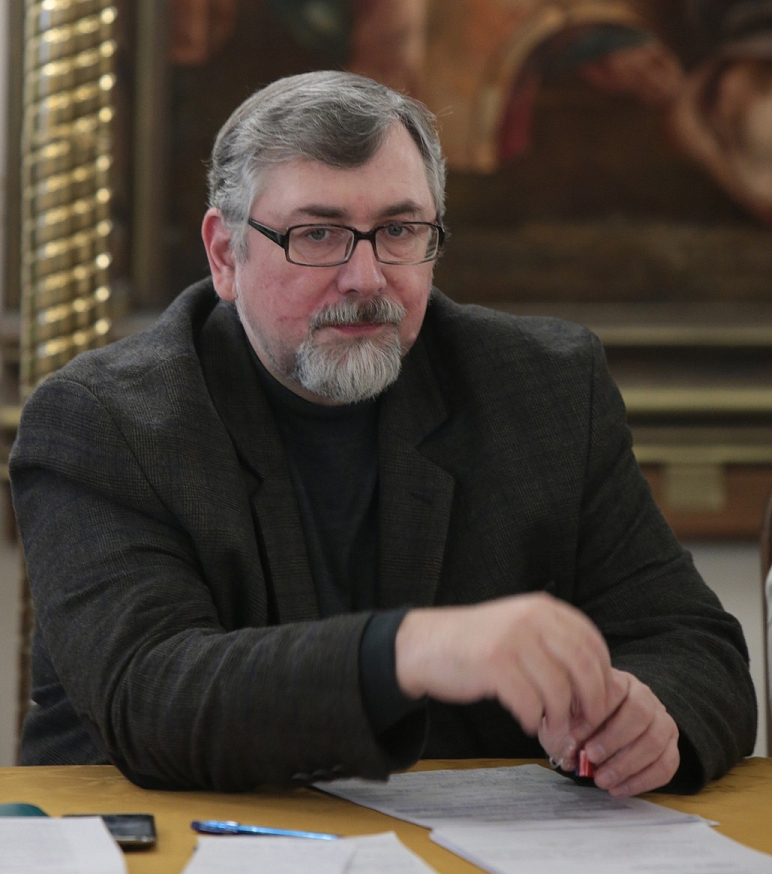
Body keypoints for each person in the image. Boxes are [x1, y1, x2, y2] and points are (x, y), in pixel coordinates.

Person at [10, 71, 756, 795]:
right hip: (158, 845)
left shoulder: (545, 389)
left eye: (399, 230)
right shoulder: (105, 421)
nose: (366, 278)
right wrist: (412, 650)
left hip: (476, 856)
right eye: (318, 234)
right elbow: (152, 696)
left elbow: (693, 645)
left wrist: (649, 719)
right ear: (225, 255)